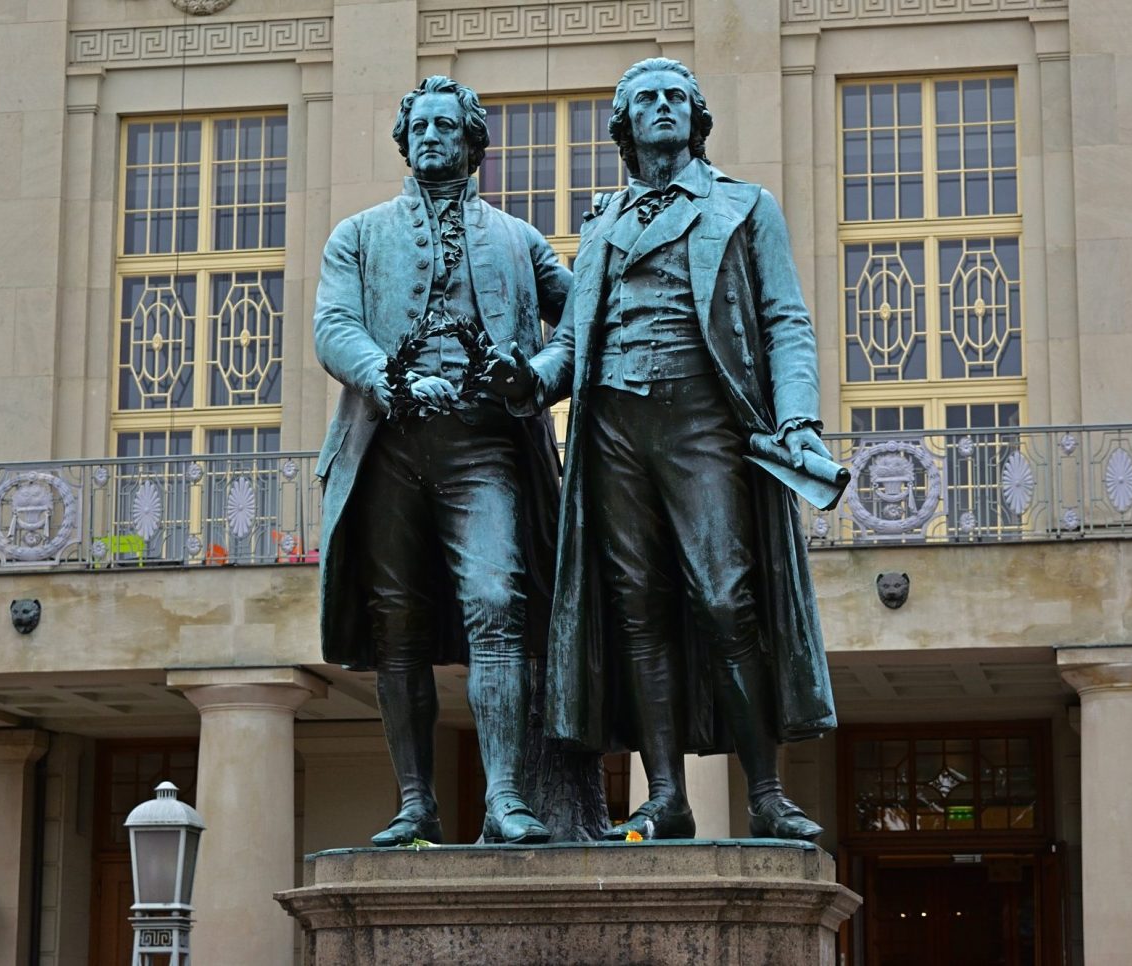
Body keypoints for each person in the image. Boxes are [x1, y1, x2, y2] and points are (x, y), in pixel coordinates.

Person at [490, 57, 837, 842]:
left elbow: (786, 320)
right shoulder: (605, 221)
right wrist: (526, 377)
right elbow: (572, 343)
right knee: (638, 612)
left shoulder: (746, 206)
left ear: (697, 117)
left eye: (677, 97)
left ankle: (767, 794)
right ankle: (665, 795)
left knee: (725, 600)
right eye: (646, 98)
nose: (663, 107)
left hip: (702, 423)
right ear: (625, 124)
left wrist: (801, 419)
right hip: (613, 427)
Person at [313, 75, 570, 846]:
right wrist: (389, 377)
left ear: (471, 143)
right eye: (419, 126)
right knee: (399, 625)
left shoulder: (520, 240)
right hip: (387, 445)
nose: (431, 137)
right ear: (405, 139)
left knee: (498, 601)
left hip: (484, 445)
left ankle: (507, 800)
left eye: (446, 127)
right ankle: (416, 802)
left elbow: (584, 321)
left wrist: (535, 376)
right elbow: (333, 326)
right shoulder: (357, 236)